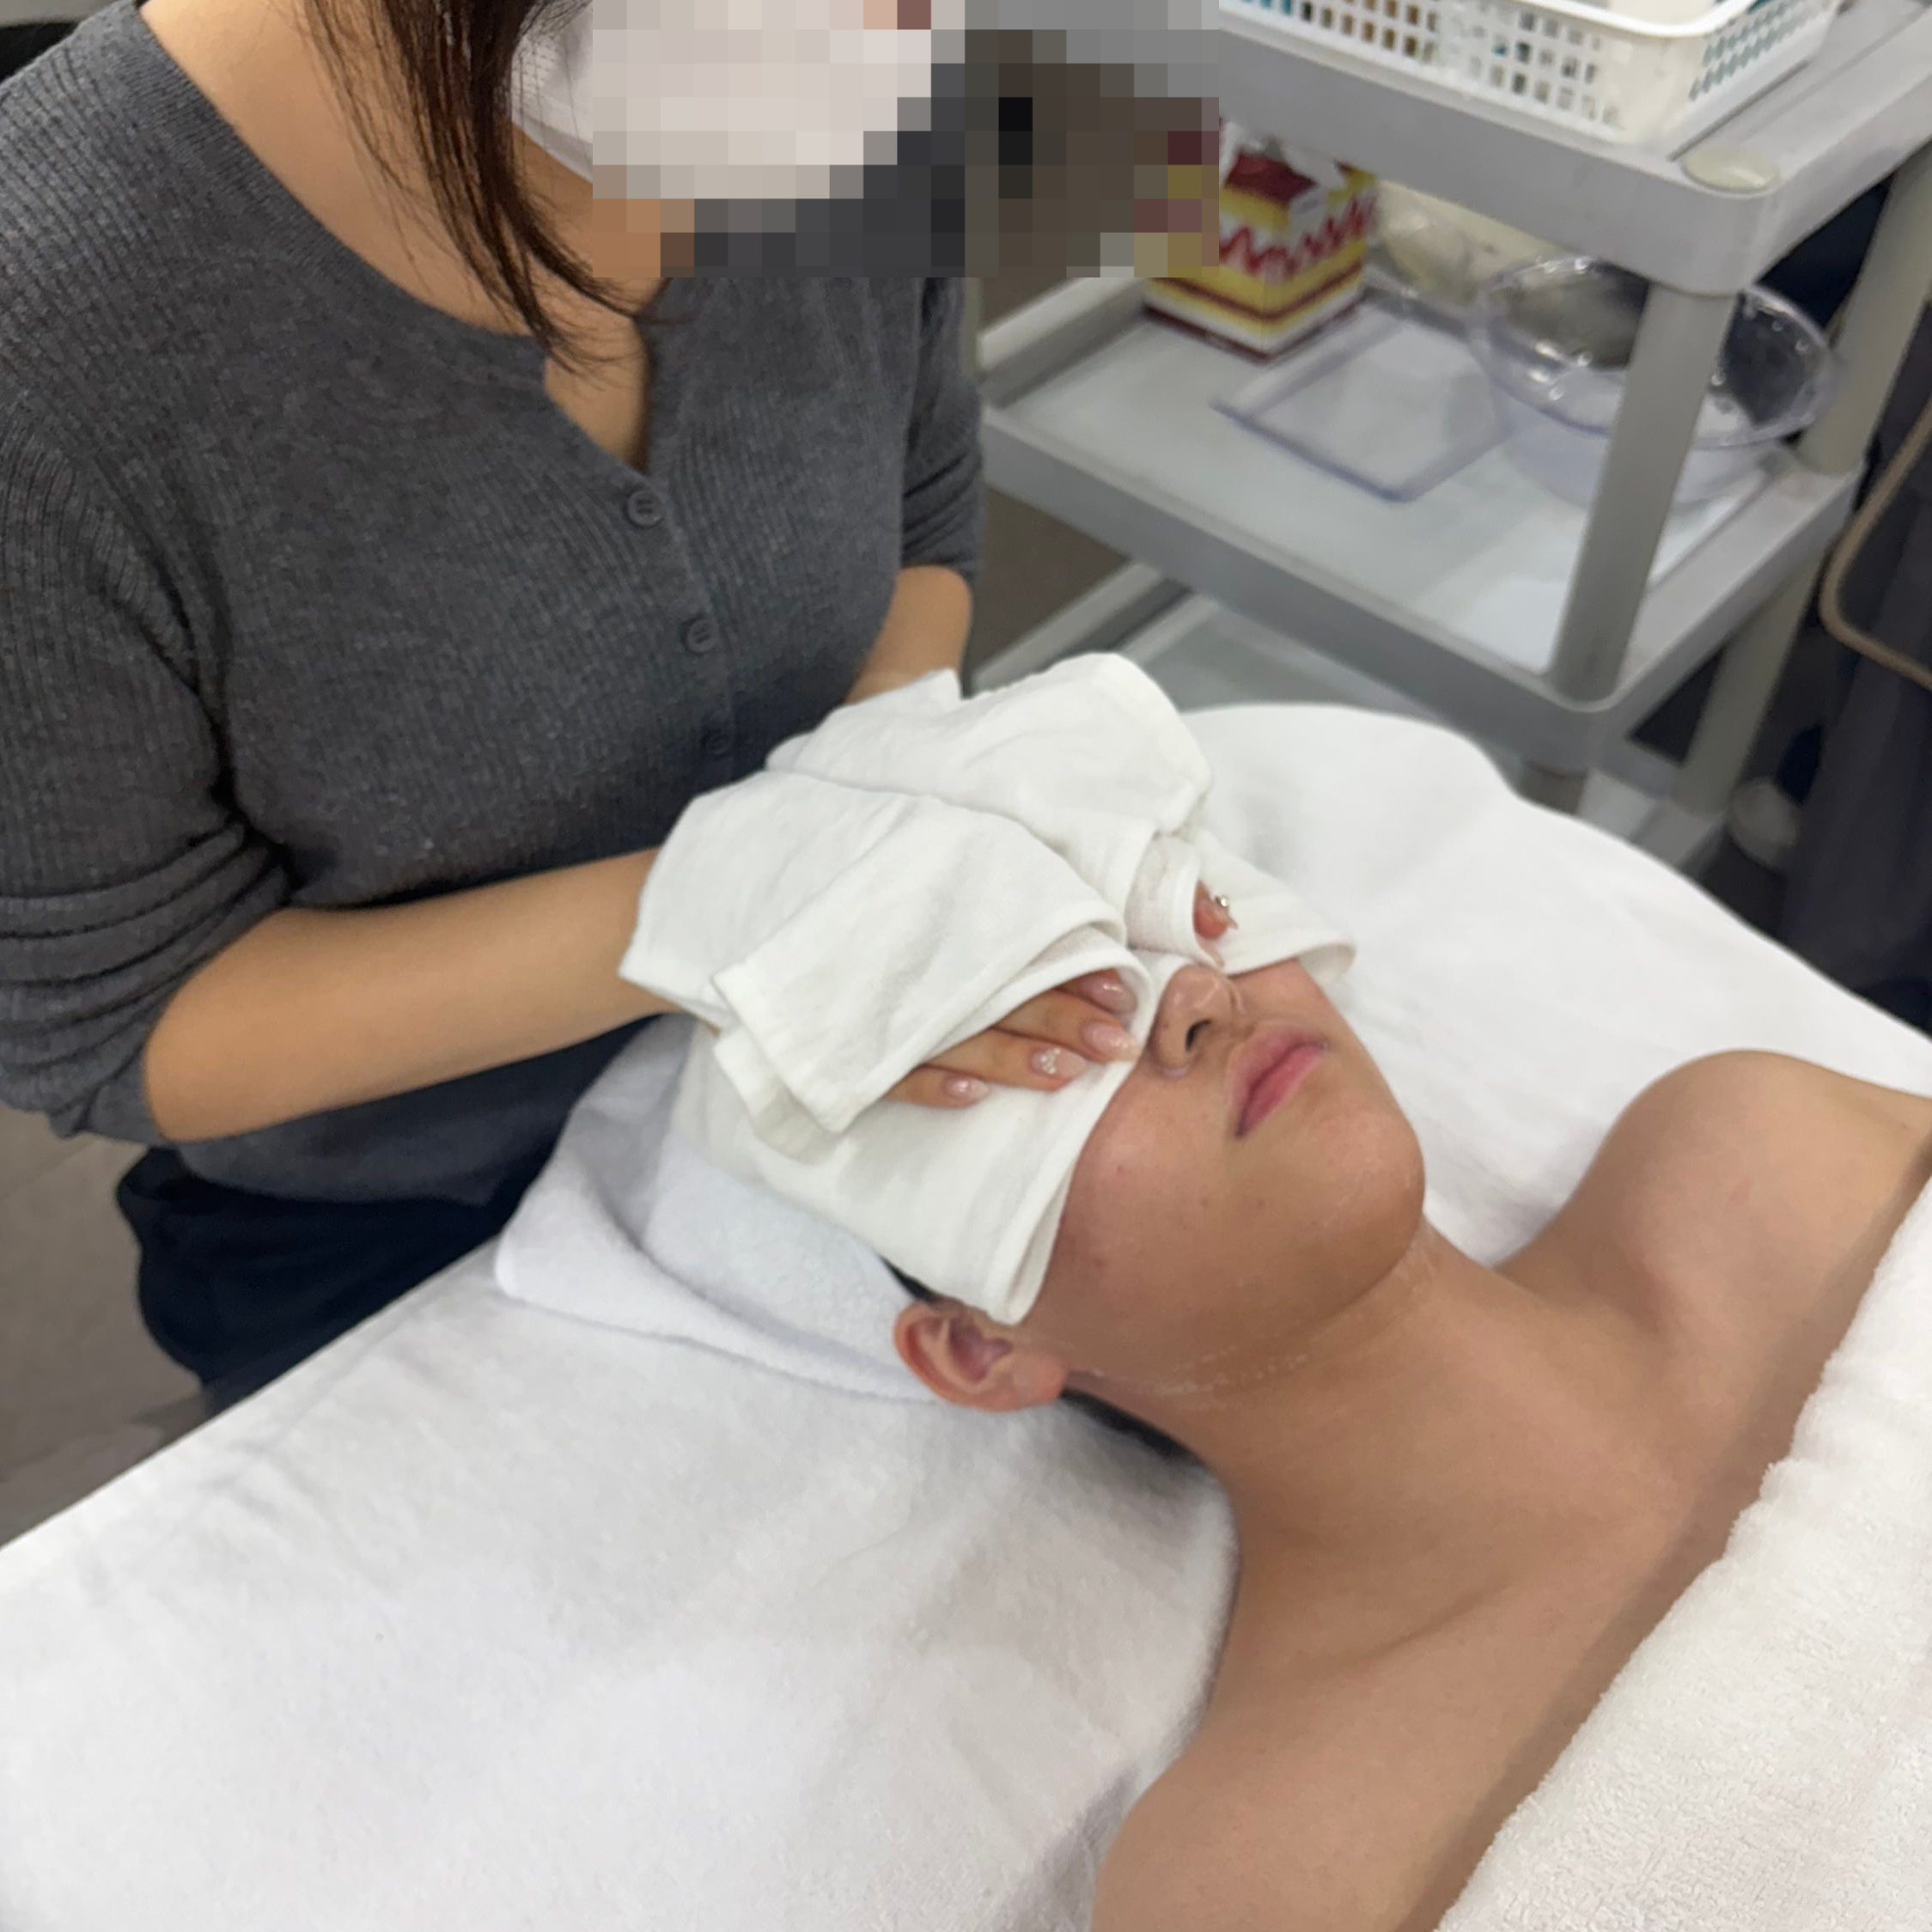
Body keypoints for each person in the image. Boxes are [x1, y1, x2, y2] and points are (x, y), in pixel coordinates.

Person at [0, 0, 1178, 1387]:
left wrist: (891, 829)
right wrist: (744, 905)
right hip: (399, 1216)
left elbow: (920, 516)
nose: (911, 46)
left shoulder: (849, 91)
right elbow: (118, 1015)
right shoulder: (53, 344)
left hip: (825, 1087)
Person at [893, 954, 1932, 1932]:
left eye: (1173, 894)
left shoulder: (1764, 1147)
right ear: (981, 1348)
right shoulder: (1260, 1874)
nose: (1194, 991)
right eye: (1028, 1031)